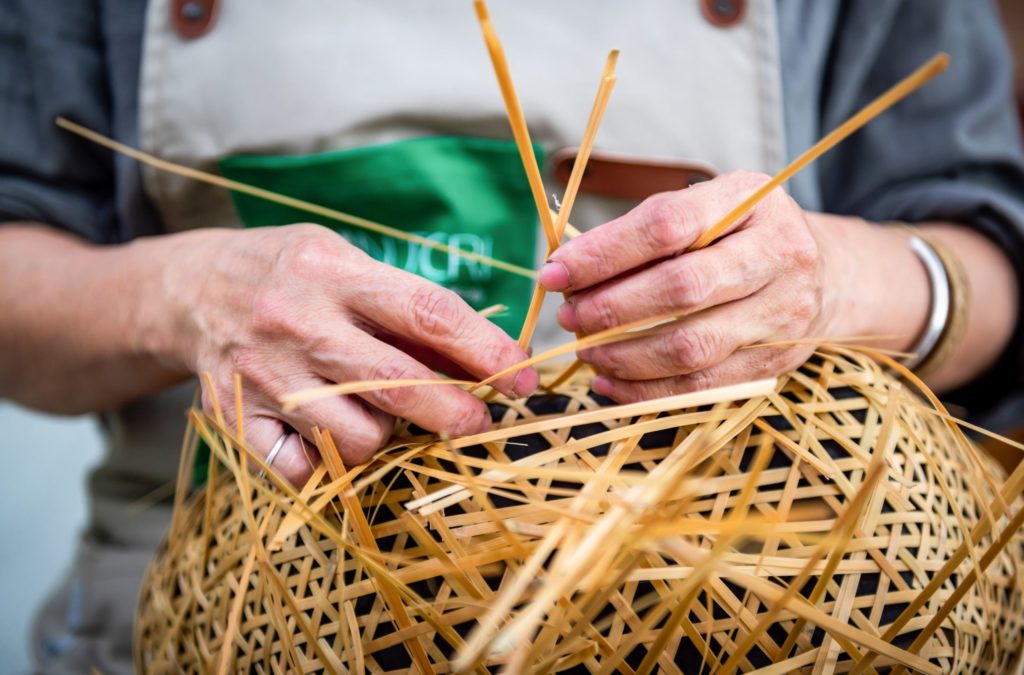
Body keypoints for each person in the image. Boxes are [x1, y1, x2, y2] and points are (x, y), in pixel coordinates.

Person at [1, 1, 1022, 672]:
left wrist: (850, 278)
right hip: (227, 629)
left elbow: (987, 253)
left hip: (750, 626)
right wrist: (182, 290)